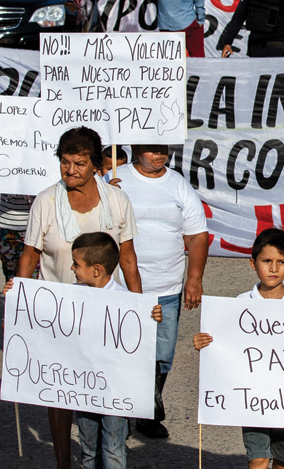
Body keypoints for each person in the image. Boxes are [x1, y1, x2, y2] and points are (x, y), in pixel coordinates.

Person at [18, 127, 143, 469]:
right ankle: (63, 461)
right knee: (59, 392)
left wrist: (139, 309)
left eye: (79, 163)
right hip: (56, 315)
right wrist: (18, 299)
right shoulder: (45, 201)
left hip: (105, 316)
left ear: (95, 164)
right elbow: (30, 254)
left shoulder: (117, 201)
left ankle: (108, 452)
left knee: (104, 389)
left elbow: (128, 257)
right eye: (64, 162)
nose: (70, 170)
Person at [3, 232, 162, 469]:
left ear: (96, 269)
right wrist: (16, 296)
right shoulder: (70, 298)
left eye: (77, 264)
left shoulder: (126, 302)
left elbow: (137, 338)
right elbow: (43, 316)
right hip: (84, 392)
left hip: (115, 396)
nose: (72, 268)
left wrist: (151, 317)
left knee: (113, 449)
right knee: (88, 451)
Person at [108, 145, 208, 439]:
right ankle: (128, 412)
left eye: (163, 149)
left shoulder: (177, 184)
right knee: (122, 350)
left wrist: (194, 277)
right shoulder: (114, 180)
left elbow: (197, 234)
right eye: (152, 149)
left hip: (167, 289)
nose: (159, 154)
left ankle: (146, 407)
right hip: (121, 289)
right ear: (136, 149)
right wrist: (106, 195)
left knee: (162, 354)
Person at [194, 228, 284, 469]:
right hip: (251, 399)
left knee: (283, 460)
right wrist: (204, 344)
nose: (273, 268)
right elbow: (222, 343)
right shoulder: (240, 305)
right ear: (253, 263)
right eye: (266, 261)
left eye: (281, 262)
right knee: (257, 459)